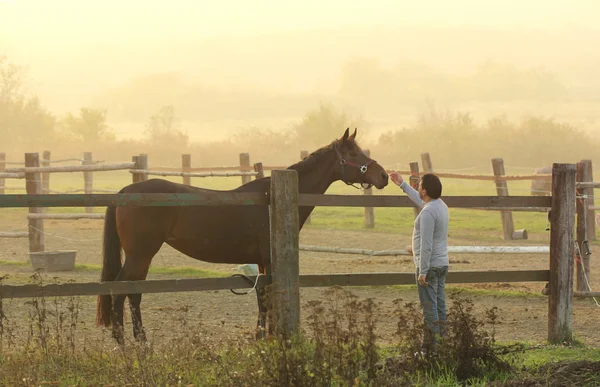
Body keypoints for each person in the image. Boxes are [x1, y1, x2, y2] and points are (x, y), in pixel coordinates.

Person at [389, 171, 449, 350]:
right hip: (441, 264)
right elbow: (421, 202)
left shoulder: (427, 213)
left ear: (424, 191)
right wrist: (402, 185)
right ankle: (444, 343)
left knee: (429, 307)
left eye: (420, 185)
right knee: (439, 304)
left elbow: (426, 245)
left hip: (429, 266)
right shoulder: (440, 206)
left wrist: (422, 271)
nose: (418, 187)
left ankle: (429, 348)